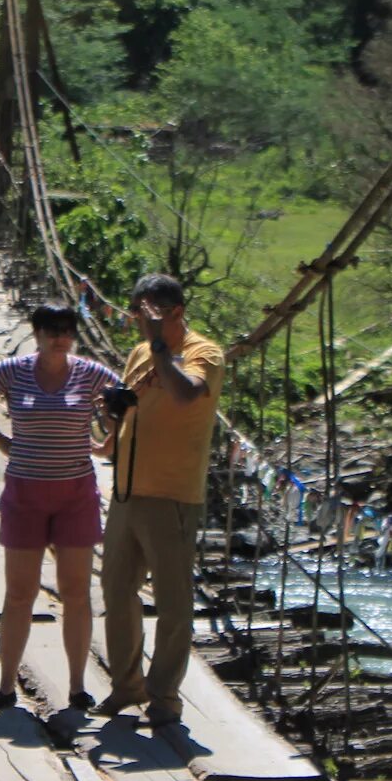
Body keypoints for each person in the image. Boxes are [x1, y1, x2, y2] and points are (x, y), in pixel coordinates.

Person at [0, 303, 120, 711]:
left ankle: (79, 687)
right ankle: (7, 686)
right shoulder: (14, 370)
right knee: (20, 593)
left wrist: (112, 441)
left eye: (66, 330)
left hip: (75, 495)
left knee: (77, 592)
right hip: (26, 493)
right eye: (51, 330)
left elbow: (127, 400)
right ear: (36, 333)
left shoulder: (90, 374)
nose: (60, 337)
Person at [97, 274, 224, 725]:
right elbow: (135, 407)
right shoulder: (139, 353)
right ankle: (125, 686)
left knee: (173, 603)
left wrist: (159, 347)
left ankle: (164, 695)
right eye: (137, 314)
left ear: (174, 312)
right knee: (116, 592)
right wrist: (113, 410)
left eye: (148, 314)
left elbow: (187, 394)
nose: (139, 323)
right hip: (127, 492)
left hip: (172, 495)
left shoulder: (203, 352)